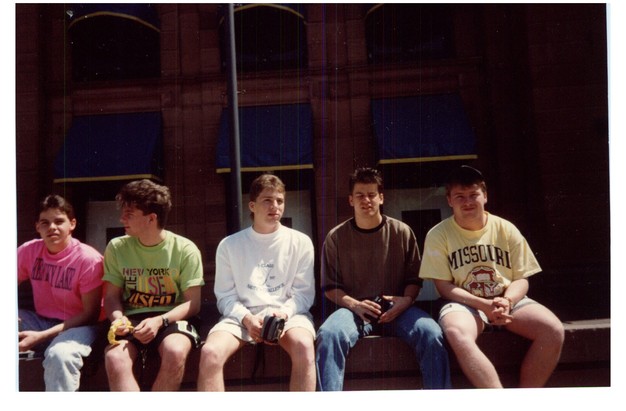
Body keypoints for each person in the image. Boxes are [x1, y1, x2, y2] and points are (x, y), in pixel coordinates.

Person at [419, 165, 565, 388]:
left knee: (553, 330)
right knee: (456, 331)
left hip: (507, 299)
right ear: (449, 200)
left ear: (485, 196)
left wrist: (507, 301)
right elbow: (444, 287)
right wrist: (483, 305)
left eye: (473, 194)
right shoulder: (438, 234)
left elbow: (521, 278)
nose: (468, 202)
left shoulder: (506, 228)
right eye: (460, 196)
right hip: (464, 303)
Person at [316, 167, 452, 390]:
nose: (366, 200)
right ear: (350, 200)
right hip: (355, 310)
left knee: (431, 333)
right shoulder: (336, 237)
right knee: (329, 334)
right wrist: (355, 305)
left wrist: (405, 301)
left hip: (397, 309)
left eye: (372, 194)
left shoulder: (402, 232)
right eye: (360, 195)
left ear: (381, 197)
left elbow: (414, 280)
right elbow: (331, 287)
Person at [197, 173, 316, 391]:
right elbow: (225, 297)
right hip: (241, 317)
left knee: (304, 346)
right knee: (210, 353)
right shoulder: (229, 245)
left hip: (288, 315)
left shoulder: (301, 242)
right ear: (252, 205)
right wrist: (247, 319)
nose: (275, 206)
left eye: (280, 200)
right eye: (267, 200)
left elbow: (303, 294)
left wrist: (283, 315)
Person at [102, 179, 205, 391]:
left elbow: (193, 304)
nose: (122, 219)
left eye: (129, 214)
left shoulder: (185, 249)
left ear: (151, 218)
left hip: (171, 318)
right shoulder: (116, 247)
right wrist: (118, 319)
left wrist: (159, 321)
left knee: (175, 352)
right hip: (131, 318)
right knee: (115, 358)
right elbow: (111, 296)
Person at [17, 194, 104, 391]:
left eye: (59, 221)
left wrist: (41, 336)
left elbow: (90, 315)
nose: (52, 227)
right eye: (45, 223)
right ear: (37, 227)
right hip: (40, 321)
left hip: (81, 327)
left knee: (59, 355)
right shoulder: (29, 250)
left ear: (72, 224)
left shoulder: (88, 259)